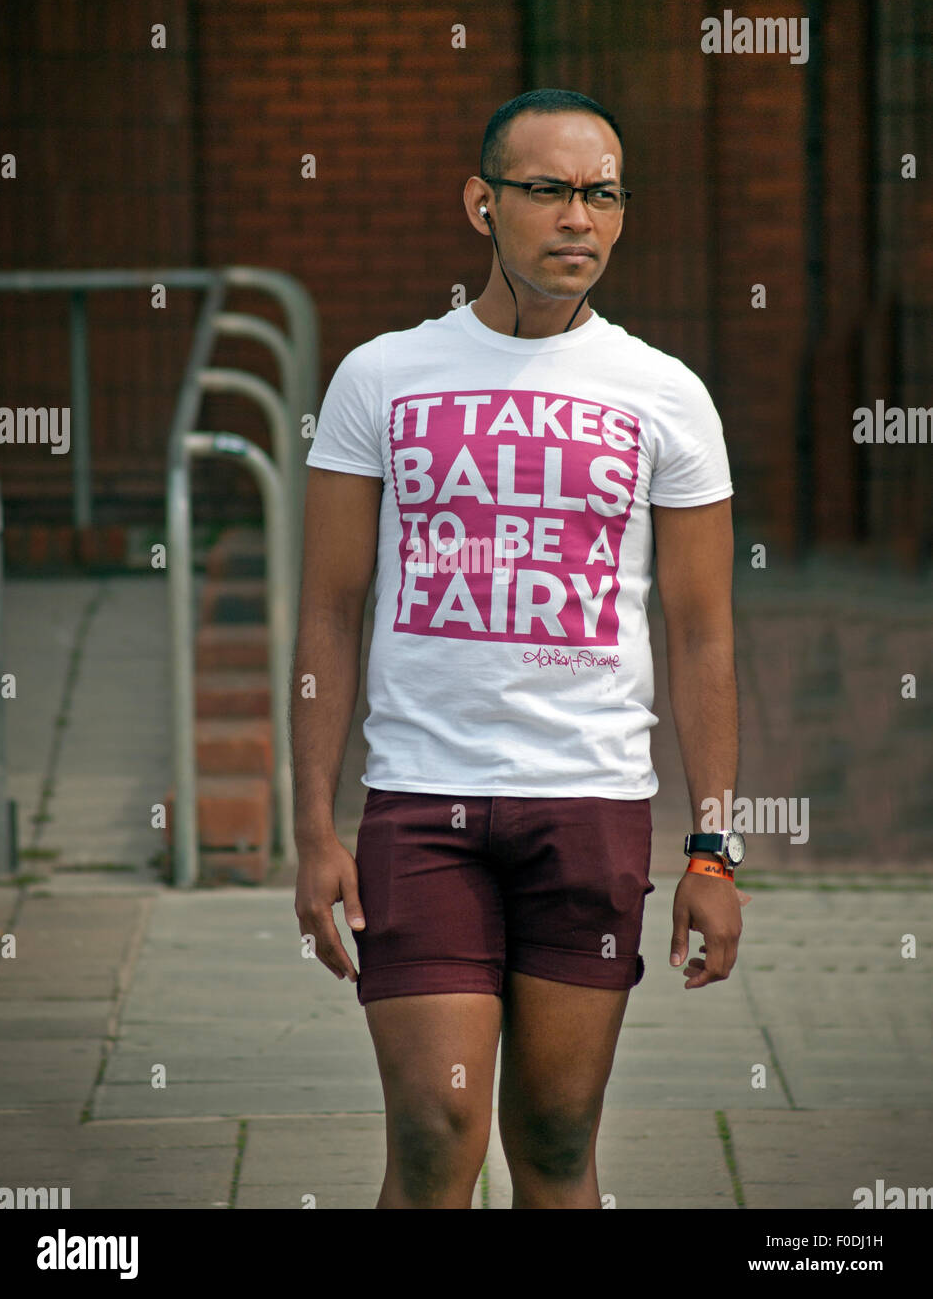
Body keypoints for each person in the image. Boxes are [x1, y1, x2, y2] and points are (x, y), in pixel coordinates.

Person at [292, 88, 743, 1209]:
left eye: (602, 194)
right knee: (440, 1135)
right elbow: (325, 613)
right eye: (547, 190)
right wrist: (309, 828)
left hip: (590, 806)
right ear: (481, 204)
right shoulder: (381, 376)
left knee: (551, 1141)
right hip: (420, 804)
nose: (578, 218)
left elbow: (699, 636)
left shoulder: (665, 396)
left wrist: (712, 851)